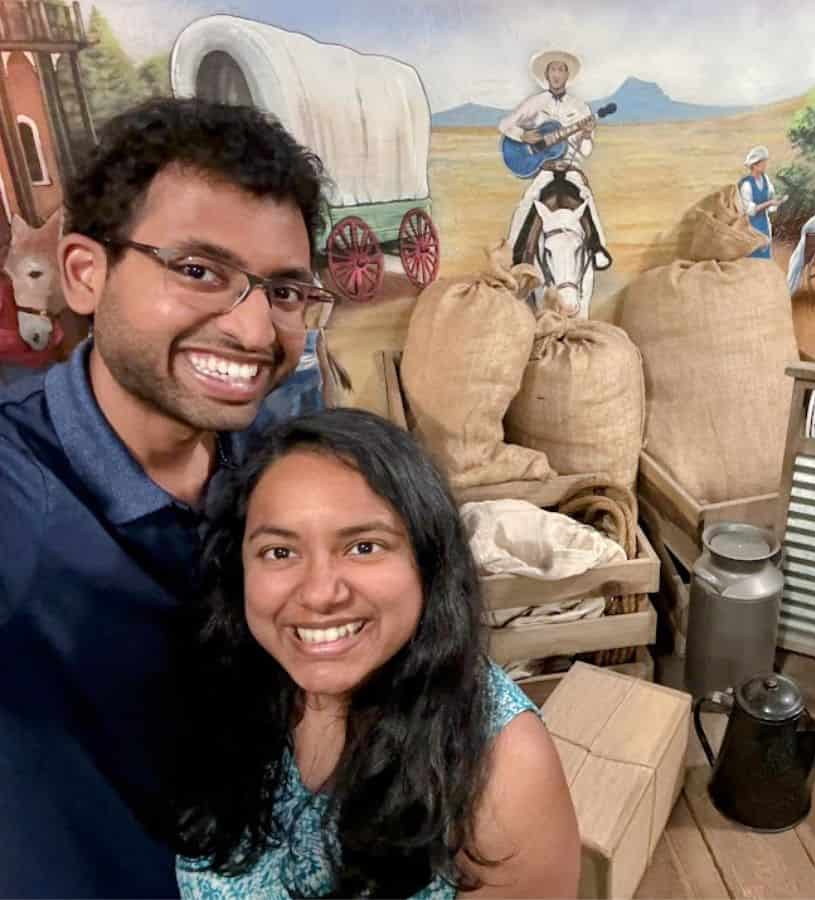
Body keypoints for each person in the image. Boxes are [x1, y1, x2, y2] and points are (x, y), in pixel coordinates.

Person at [0, 97, 336, 896]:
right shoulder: (17, 491)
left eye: (283, 291)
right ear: (86, 273)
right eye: (198, 272)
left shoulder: (271, 475)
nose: (256, 333)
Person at [173, 408, 581, 897]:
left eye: (363, 547)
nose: (320, 593)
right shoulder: (229, 681)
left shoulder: (503, 766)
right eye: (280, 552)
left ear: (428, 562)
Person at [500, 49, 612, 267]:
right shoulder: (536, 103)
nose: (557, 74)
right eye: (553, 69)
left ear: (567, 75)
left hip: (571, 169)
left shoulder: (580, 108)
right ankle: (512, 254)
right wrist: (523, 135)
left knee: (587, 199)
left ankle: (598, 248)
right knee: (527, 201)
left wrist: (587, 135)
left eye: (561, 69)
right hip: (545, 168)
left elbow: (586, 151)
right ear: (547, 74)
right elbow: (504, 125)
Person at [739, 145, 787, 259]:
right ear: (754, 165)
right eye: (763, 163)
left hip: (764, 224)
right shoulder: (746, 185)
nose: (766, 165)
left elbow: (771, 197)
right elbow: (750, 211)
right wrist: (769, 203)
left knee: (765, 255)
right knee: (754, 256)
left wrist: (777, 202)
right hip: (751, 226)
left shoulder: (765, 180)